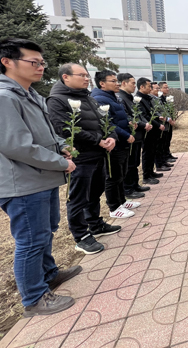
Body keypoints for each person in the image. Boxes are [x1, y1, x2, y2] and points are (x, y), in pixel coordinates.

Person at [0, 38, 79, 316]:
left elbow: (46, 134)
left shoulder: (30, 94)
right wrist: (60, 162)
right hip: (22, 183)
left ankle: (49, 274)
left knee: (45, 231)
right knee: (31, 240)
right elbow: (17, 146)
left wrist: (62, 146)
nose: (41, 67)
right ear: (7, 62)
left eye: (42, 62)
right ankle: (33, 298)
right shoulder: (5, 97)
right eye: (33, 62)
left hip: (41, 178)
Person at [47, 63, 121, 255]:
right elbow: (63, 129)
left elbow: (105, 121)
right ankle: (81, 236)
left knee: (95, 192)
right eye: (81, 75)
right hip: (80, 157)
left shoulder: (88, 98)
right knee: (78, 198)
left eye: (87, 75)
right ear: (66, 77)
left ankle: (95, 224)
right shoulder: (57, 100)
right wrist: (98, 140)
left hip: (98, 154)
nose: (87, 78)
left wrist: (111, 136)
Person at [91, 71, 141, 219]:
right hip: (115, 144)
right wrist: (126, 135)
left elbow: (118, 118)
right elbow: (108, 123)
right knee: (113, 177)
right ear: (102, 83)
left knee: (121, 174)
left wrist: (129, 123)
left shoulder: (113, 97)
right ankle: (114, 207)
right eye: (113, 81)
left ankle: (122, 201)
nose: (117, 83)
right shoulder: (99, 99)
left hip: (121, 142)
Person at [117, 73, 151, 198]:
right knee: (130, 164)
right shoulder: (120, 98)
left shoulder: (129, 97)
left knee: (135, 163)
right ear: (124, 83)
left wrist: (145, 123)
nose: (134, 86)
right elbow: (127, 116)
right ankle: (129, 188)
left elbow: (138, 114)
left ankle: (135, 185)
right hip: (130, 134)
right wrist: (142, 124)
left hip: (137, 134)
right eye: (132, 83)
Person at [136, 77, 165, 184]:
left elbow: (153, 112)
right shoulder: (138, 99)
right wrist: (158, 125)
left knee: (152, 152)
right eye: (149, 86)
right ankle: (146, 176)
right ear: (142, 87)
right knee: (147, 153)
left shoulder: (147, 98)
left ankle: (151, 172)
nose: (150, 88)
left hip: (153, 129)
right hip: (147, 130)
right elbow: (145, 116)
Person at [158, 81, 178, 164]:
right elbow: (162, 111)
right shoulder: (159, 99)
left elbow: (170, 110)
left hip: (169, 122)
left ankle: (168, 154)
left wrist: (173, 119)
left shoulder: (166, 98)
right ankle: (165, 156)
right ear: (160, 89)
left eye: (167, 87)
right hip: (164, 122)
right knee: (164, 141)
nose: (167, 89)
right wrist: (168, 119)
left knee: (168, 139)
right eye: (165, 87)